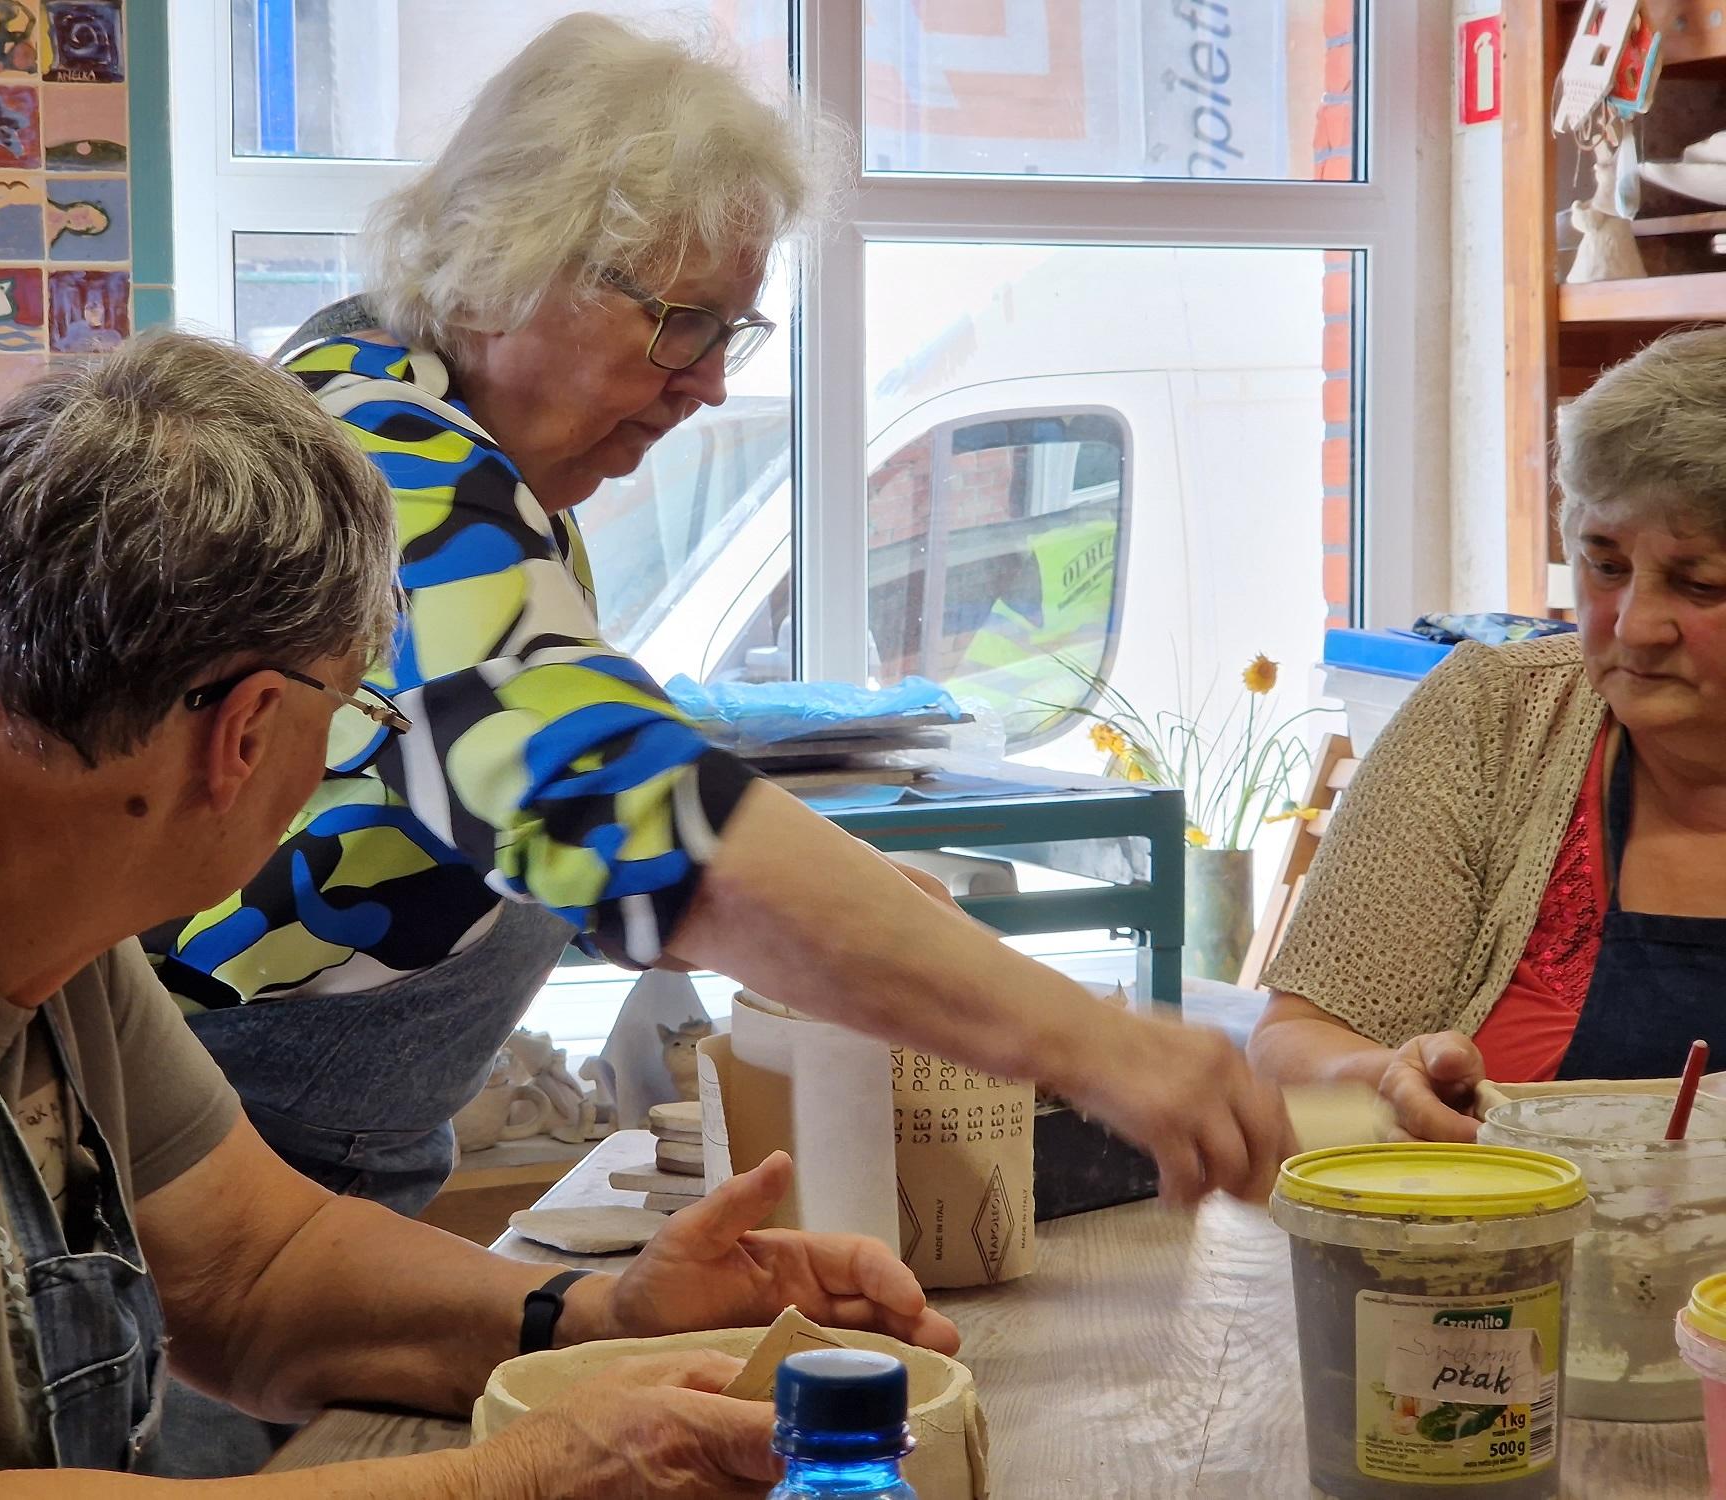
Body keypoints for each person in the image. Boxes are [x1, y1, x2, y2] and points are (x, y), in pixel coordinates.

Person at [0, 331, 961, 1497]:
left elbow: (256, 1272)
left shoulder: (29, 884)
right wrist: (513, 1474)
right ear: (251, 730)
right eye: (351, 722)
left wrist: (594, 1321)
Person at [151, 11, 1292, 1227]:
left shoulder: (458, 448)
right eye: (677, 321)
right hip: (192, 1184)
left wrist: (843, 902)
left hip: (300, 1167)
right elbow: (613, 797)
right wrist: (1090, 1044)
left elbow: (546, 794)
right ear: (499, 268)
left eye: (726, 329)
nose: (710, 380)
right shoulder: (392, 466)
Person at [1248, 326, 1726, 1142]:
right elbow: (1294, 1043)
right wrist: (1384, 1079)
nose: (1636, 625)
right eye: (1604, 565)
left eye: (1701, 582)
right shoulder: (1493, 719)